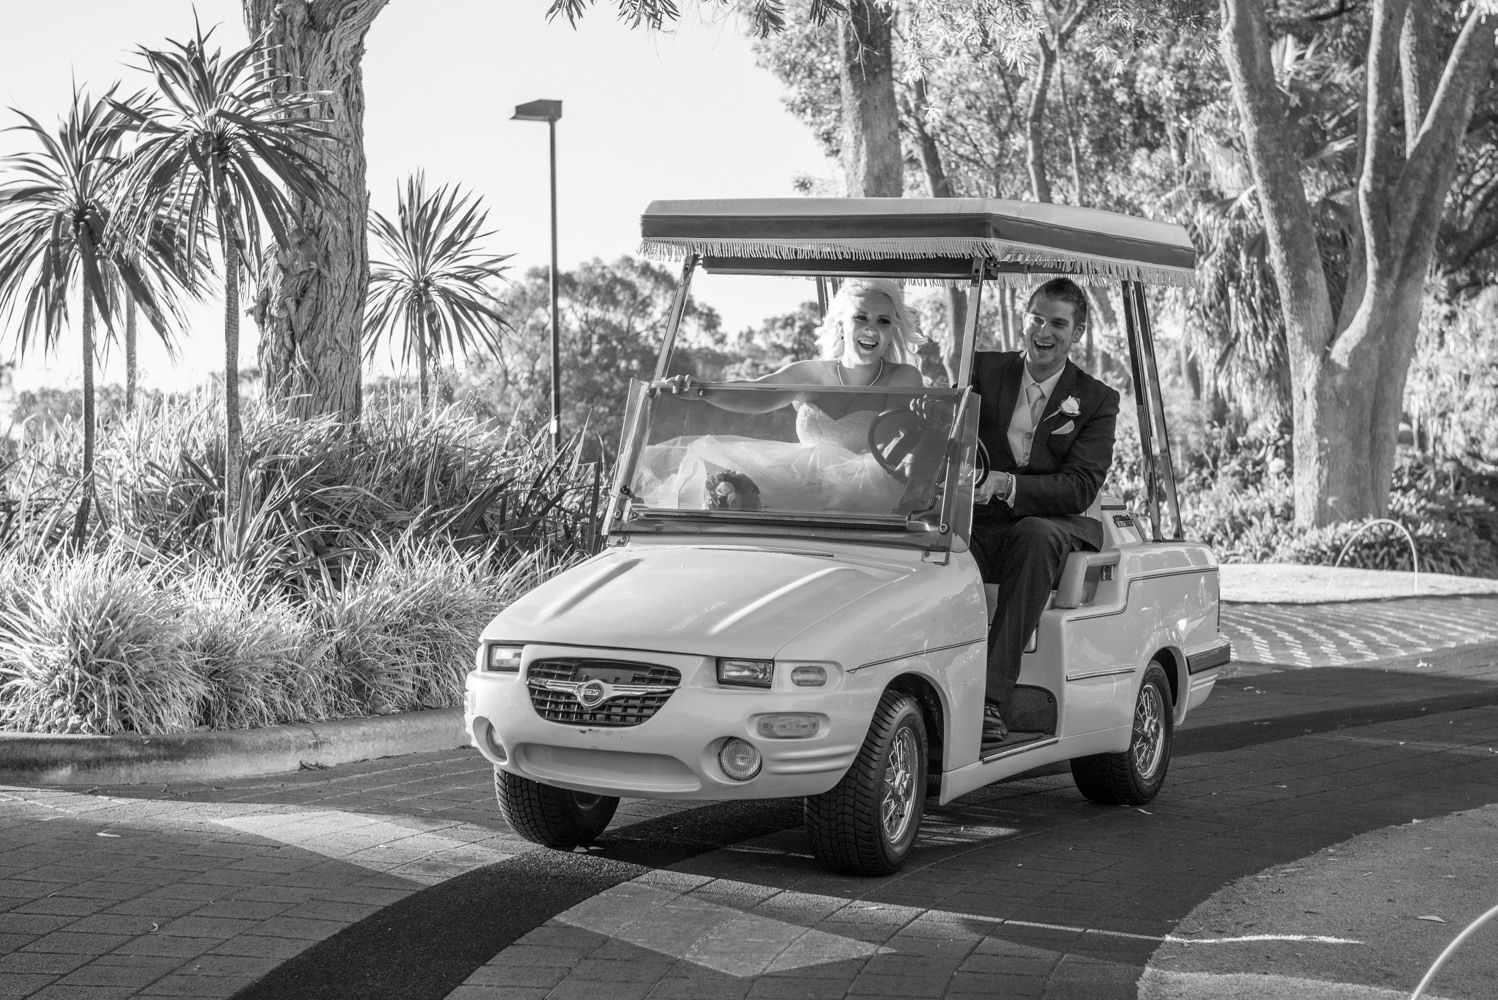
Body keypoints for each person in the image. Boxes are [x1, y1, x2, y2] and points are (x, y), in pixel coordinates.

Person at [970, 277, 1120, 745]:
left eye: (1058, 323)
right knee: (936, 545)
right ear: (1024, 320)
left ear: (1077, 333)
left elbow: (1079, 488)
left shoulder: (1096, 400)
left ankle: (990, 699)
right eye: (1036, 318)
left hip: (1054, 525)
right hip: (983, 518)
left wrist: (1007, 484)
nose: (1044, 331)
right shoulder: (981, 370)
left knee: (1034, 535)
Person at [642, 278, 926, 512]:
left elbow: (896, 443)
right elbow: (758, 394)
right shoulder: (810, 374)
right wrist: (703, 390)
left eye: (883, 321)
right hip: (800, 487)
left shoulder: (902, 378)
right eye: (861, 317)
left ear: (892, 331)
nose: (871, 329)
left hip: (869, 502)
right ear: (841, 325)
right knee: (714, 484)